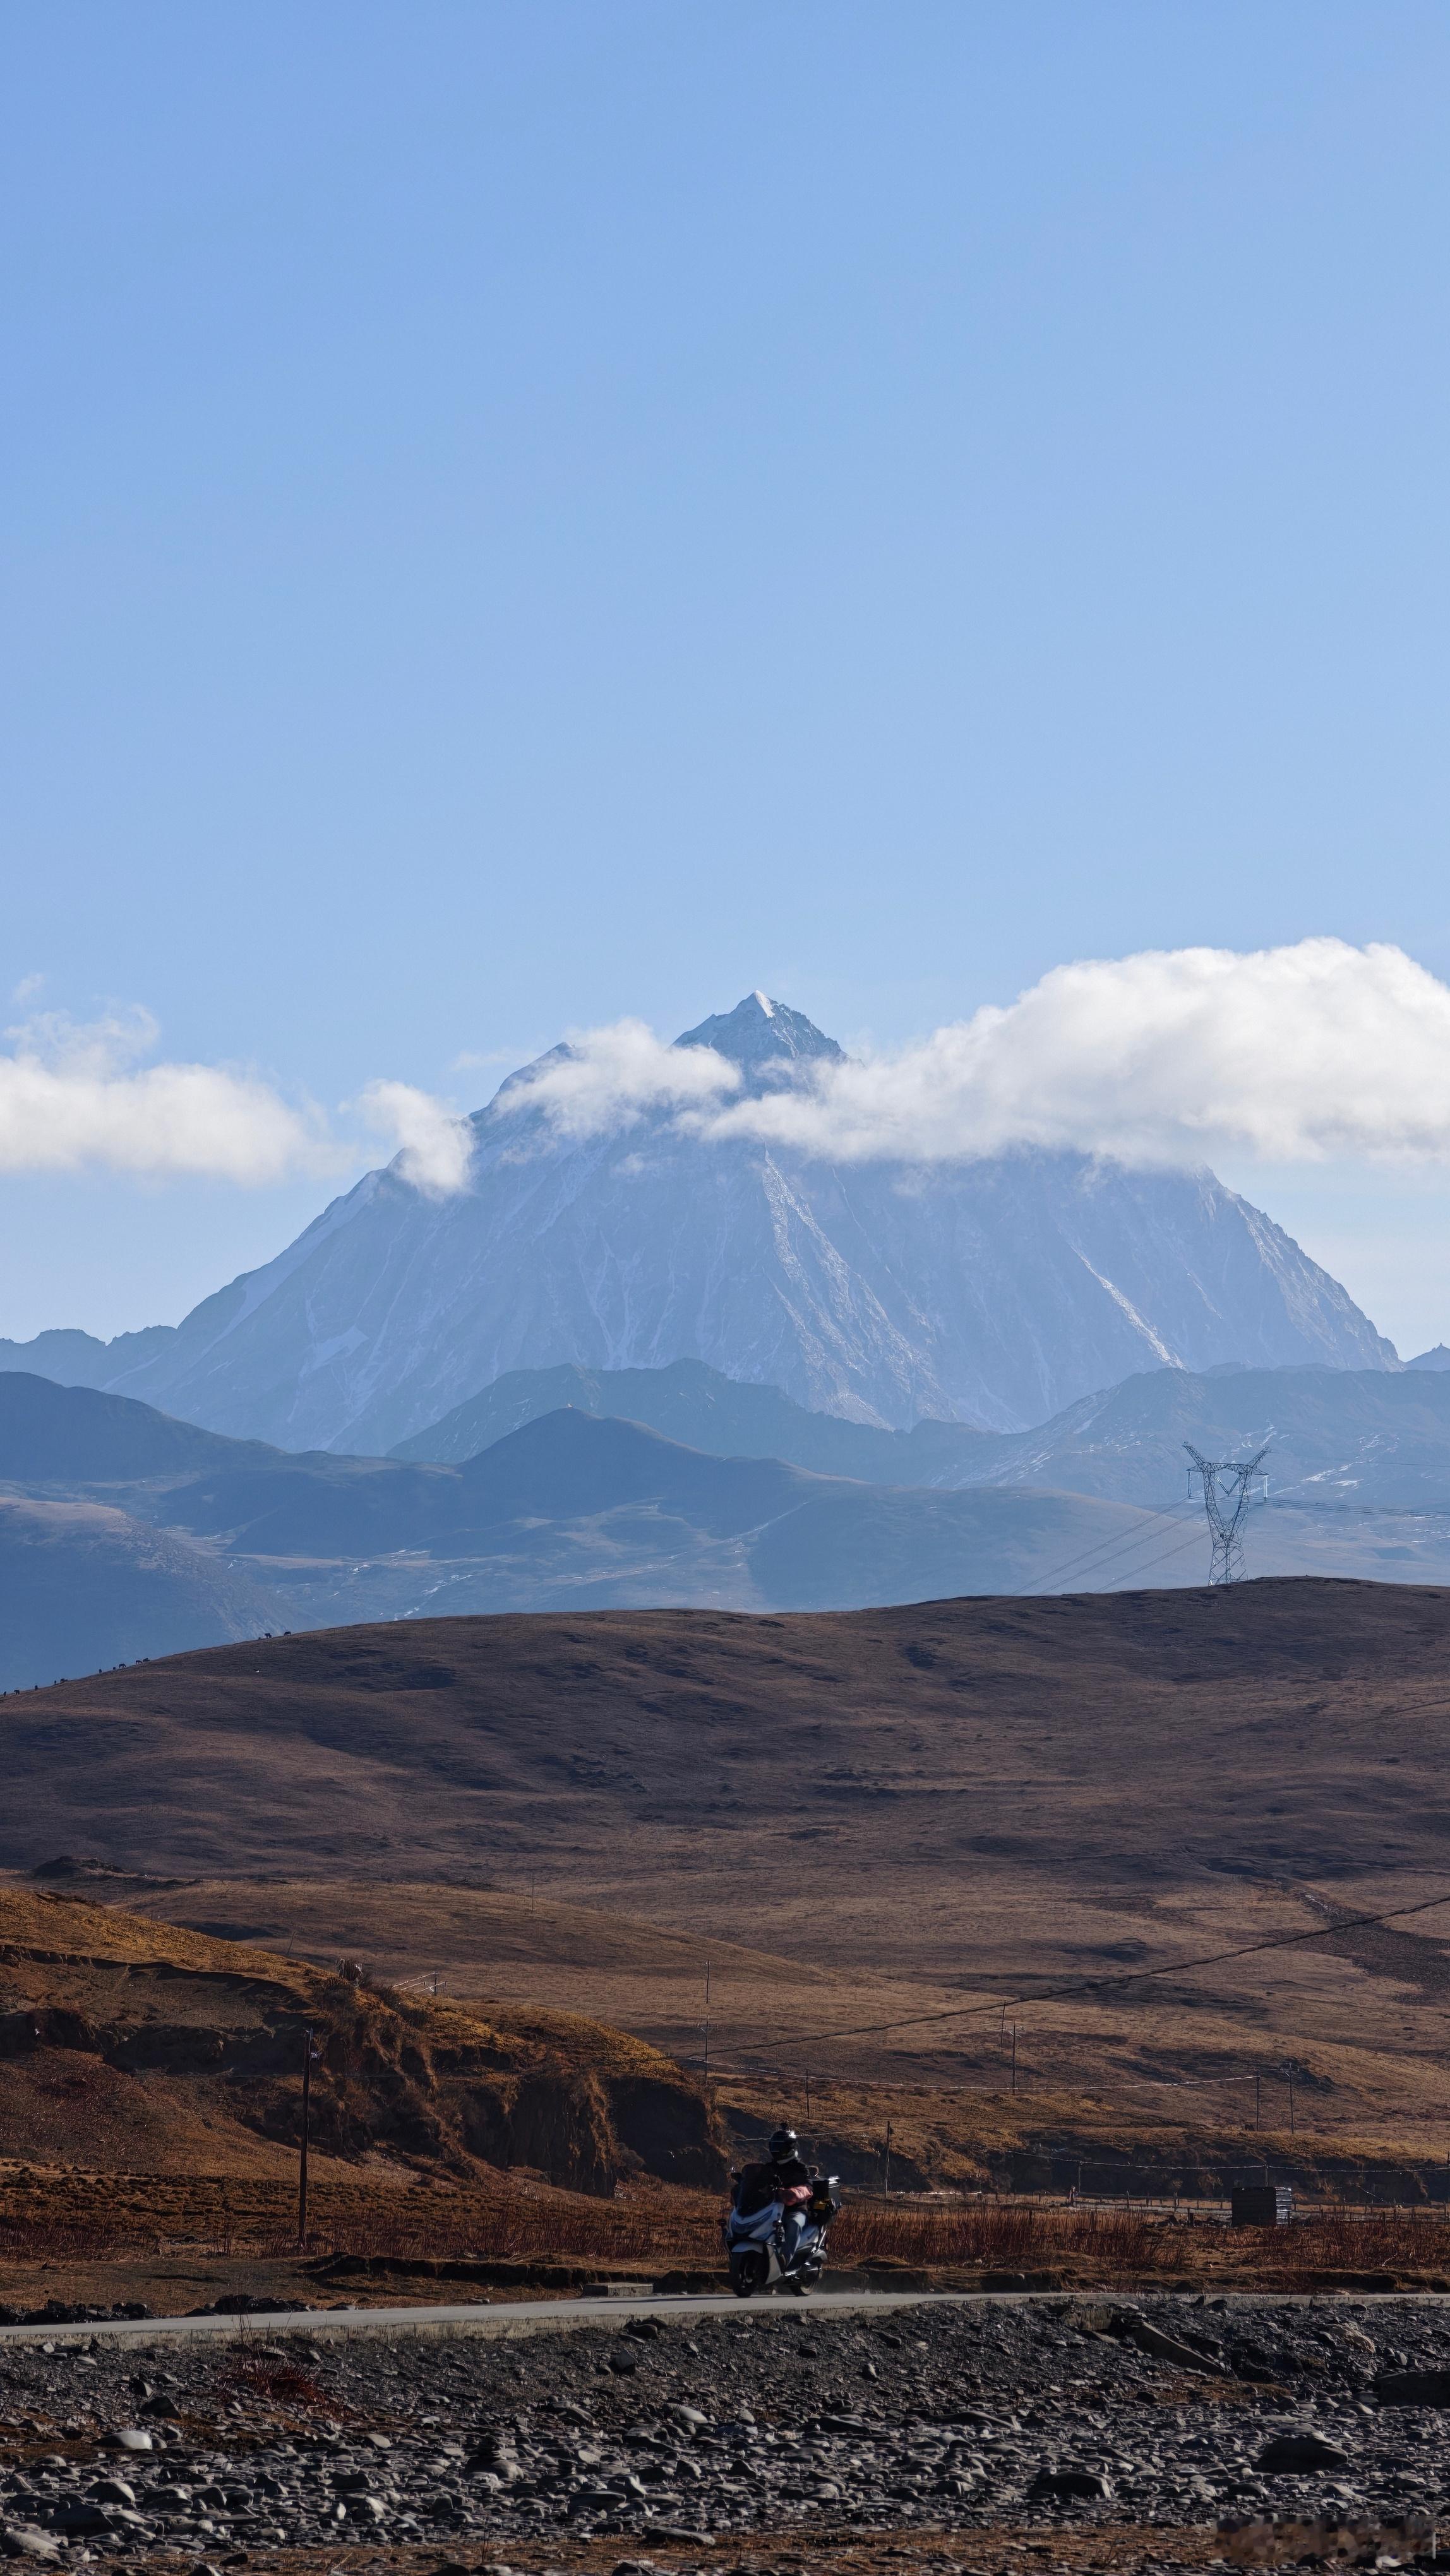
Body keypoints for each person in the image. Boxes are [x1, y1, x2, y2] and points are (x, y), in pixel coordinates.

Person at [733, 2125, 816, 2265]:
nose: (777, 2150)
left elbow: (807, 2188)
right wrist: (744, 2184)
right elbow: (757, 2183)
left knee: (794, 2224)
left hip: (795, 2209)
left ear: (790, 2148)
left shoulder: (800, 2169)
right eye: (775, 2146)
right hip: (772, 2207)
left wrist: (793, 2193)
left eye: (781, 2147)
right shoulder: (768, 2168)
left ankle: (785, 2260)